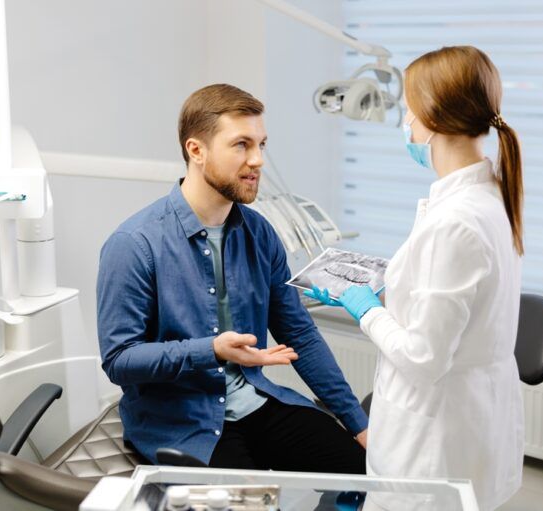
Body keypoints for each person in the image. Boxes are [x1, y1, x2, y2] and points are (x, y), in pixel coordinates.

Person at [97, 83, 368, 473]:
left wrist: (358, 423)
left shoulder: (260, 234)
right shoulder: (134, 244)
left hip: (256, 400)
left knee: (365, 472)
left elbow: (300, 334)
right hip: (181, 423)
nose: (257, 160)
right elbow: (120, 360)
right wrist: (211, 350)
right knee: (253, 502)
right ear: (196, 150)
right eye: (241, 145)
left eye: (261, 144)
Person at [307, 46, 525, 510]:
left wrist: (367, 310)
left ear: (431, 117)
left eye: (407, 110)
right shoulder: (488, 195)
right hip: (470, 418)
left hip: (434, 437)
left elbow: (424, 358)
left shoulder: (456, 221)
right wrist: (398, 286)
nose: (405, 122)